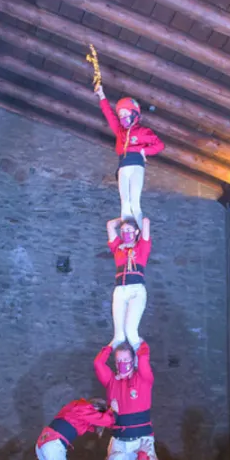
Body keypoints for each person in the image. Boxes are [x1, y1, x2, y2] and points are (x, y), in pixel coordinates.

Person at [95, 85, 164, 224]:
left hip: (136, 166)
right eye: (120, 115)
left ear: (134, 114)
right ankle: (127, 235)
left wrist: (144, 151)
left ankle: (139, 233)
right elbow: (109, 114)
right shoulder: (120, 132)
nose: (122, 118)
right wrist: (101, 96)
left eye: (125, 114)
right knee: (124, 202)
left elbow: (159, 145)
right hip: (123, 167)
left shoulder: (143, 132)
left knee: (135, 201)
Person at [94, 341, 154, 460]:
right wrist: (112, 344)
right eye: (119, 361)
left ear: (133, 361)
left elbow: (144, 358)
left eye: (126, 360)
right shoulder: (111, 381)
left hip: (140, 440)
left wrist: (139, 342)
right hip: (119, 441)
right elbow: (98, 364)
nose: (122, 364)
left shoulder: (143, 378)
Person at [107, 217, 152, 350]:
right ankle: (103, 362)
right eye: (123, 230)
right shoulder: (117, 247)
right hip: (120, 290)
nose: (125, 232)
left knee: (131, 332)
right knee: (119, 336)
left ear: (137, 232)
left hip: (136, 290)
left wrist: (132, 215)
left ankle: (139, 365)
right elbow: (110, 224)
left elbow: (146, 221)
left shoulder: (142, 247)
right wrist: (123, 217)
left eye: (129, 229)